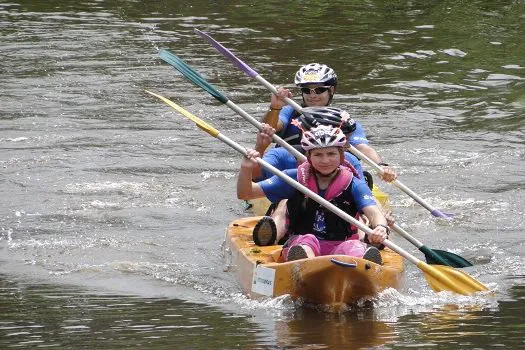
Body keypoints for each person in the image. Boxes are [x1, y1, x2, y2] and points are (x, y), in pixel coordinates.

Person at [237, 124, 390, 264]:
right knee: (305, 243)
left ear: (341, 156)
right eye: (318, 155)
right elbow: (246, 193)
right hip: (302, 242)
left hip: (343, 245)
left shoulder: (354, 183)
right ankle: (303, 266)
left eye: (331, 154)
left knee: (353, 247)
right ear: (309, 156)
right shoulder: (293, 178)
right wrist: (246, 169)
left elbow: (373, 211)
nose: (325, 160)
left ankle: (362, 265)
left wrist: (381, 227)